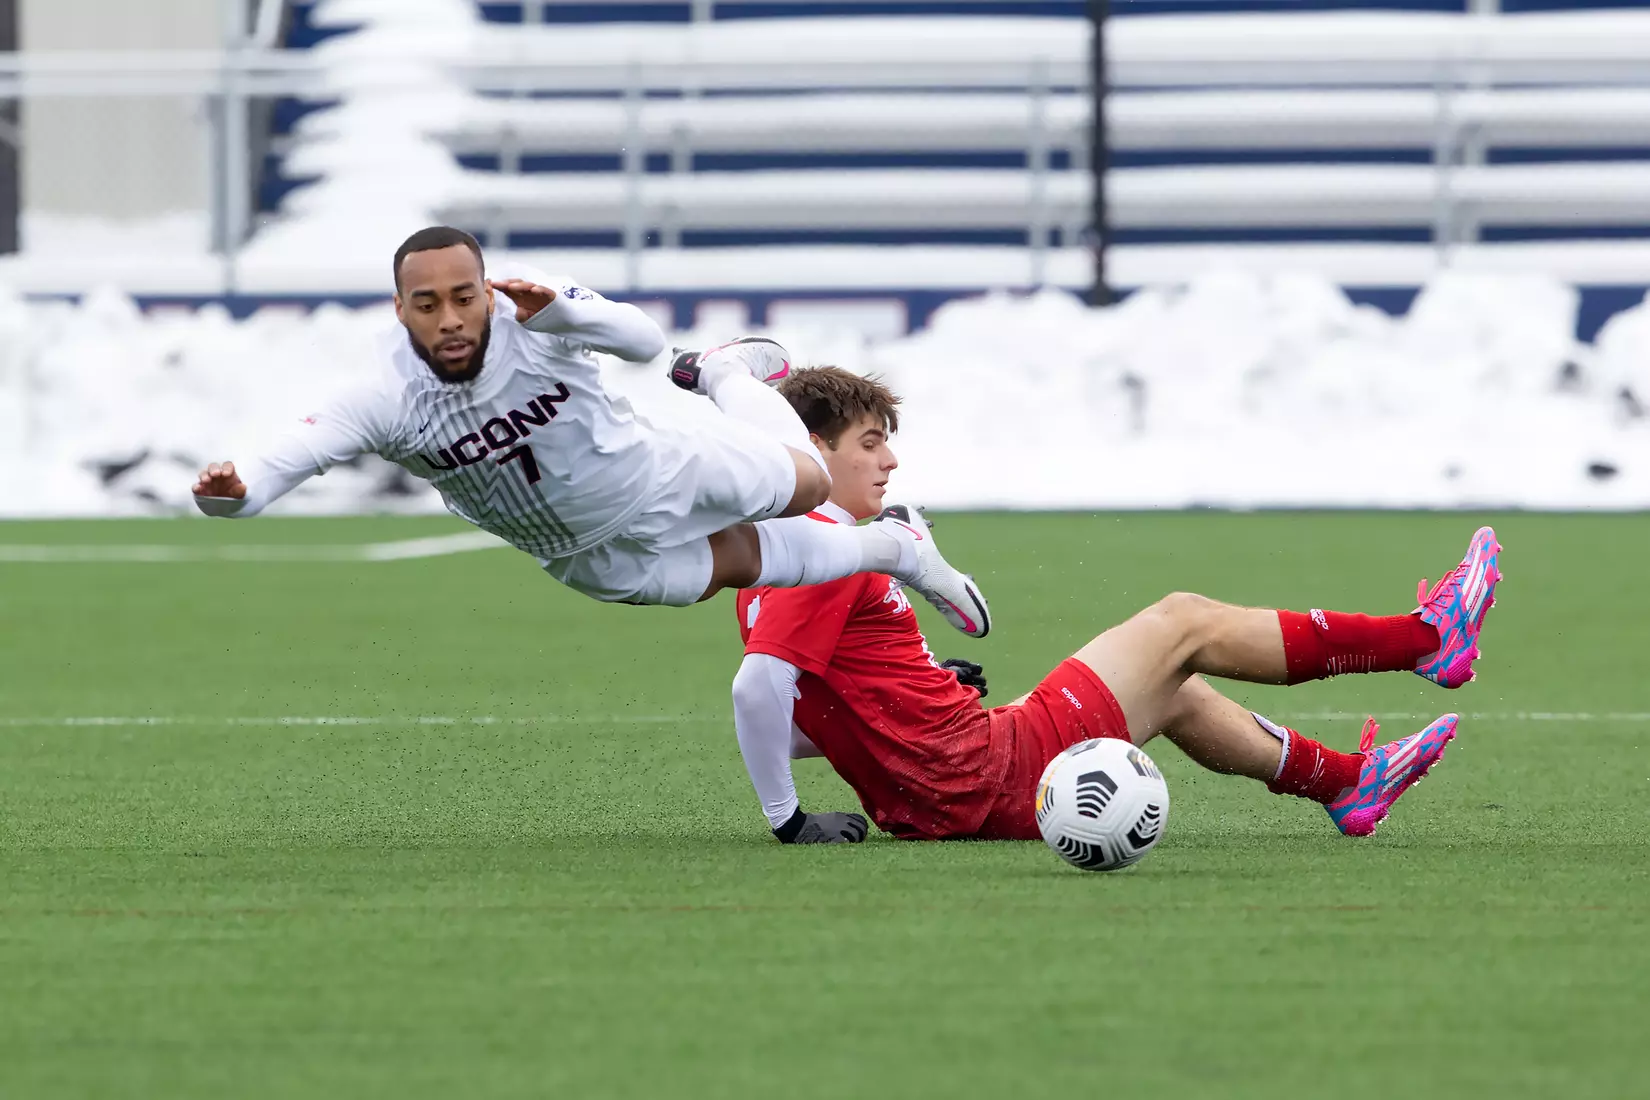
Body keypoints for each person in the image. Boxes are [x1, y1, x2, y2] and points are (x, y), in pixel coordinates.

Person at [730, 367, 1502, 844]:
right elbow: (758, 689)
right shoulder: (824, 556)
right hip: (980, 777)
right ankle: (1426, 640)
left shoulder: (780, 554)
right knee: (1182, 621)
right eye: (868, 442)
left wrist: (907, 708)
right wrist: (788, 820)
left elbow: (801, 715)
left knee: (1173, 688)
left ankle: (1345, 784)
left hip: (946, 783)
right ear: (815, 451)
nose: (889, 458)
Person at [189, 227, 987, 633]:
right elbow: (267, 475)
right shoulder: (381, 396)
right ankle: (895, 549)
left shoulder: (532, 310)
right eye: (427, 304)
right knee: (742, 565)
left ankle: (723, 374)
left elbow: (641, 342)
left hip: (661, 470)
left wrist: (573, 312)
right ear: (400, 311)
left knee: (809, 486)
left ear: (483, 289)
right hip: (579, 554)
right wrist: (231, 494)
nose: (452, 316)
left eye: (464, 295)